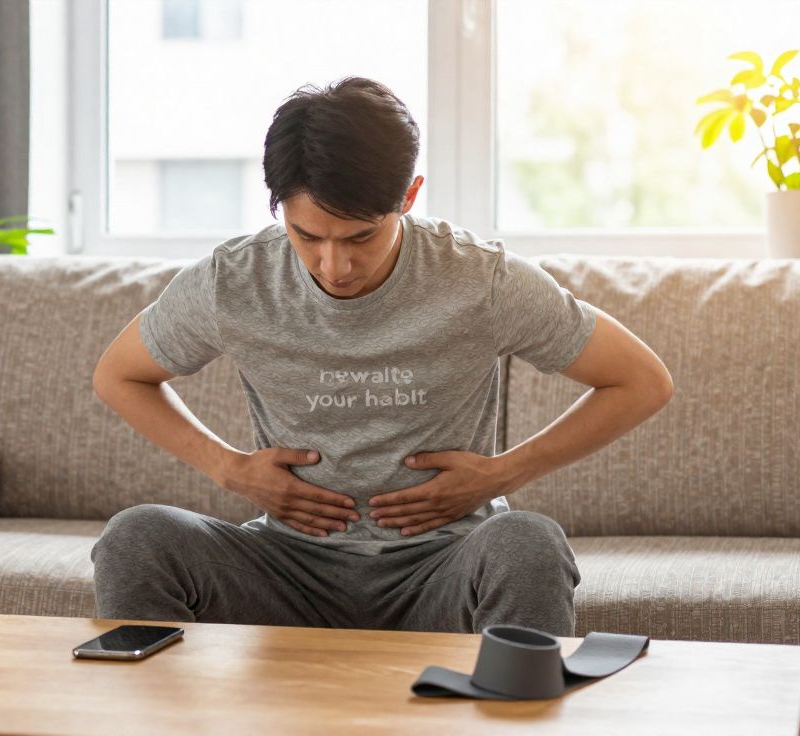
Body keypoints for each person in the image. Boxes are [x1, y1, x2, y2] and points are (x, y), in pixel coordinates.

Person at [89, 76, 673, 636]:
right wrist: (227, 467)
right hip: (287, 569)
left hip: (443, 567)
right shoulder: (234, 281)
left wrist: (501, 473)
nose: (333, 266)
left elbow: (641, 380)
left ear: (409, 196)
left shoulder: (481, 279)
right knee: (136, 537)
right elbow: (120, 375)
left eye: (361, 237)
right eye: (306, 236)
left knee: (529, 542)